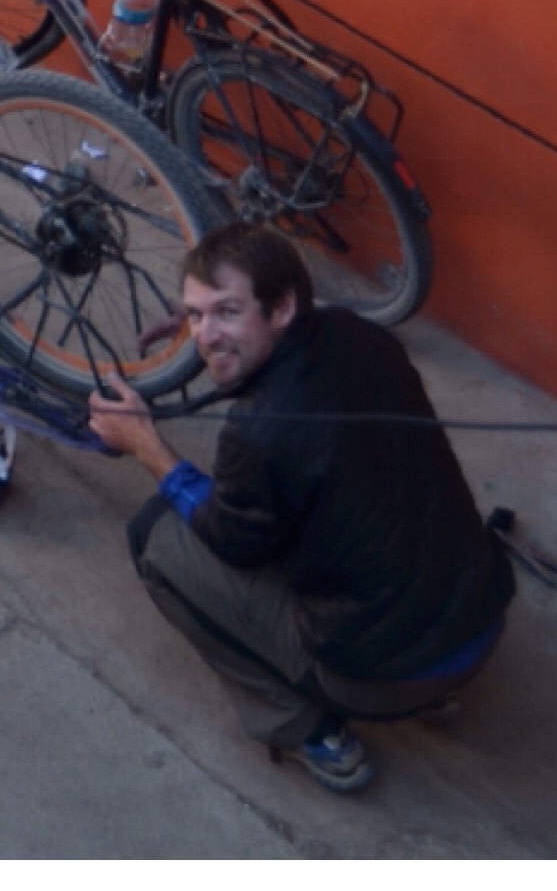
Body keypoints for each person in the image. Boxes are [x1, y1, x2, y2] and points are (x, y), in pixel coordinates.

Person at [87, 221, 512, 795]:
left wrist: (147, 446)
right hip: (480, 611)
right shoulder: (364, 337)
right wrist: (221, 323)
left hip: (383, 674)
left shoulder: (259, 433)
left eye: (226, 313)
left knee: (156, 535)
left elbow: (230, 539)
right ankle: (433, 690)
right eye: (195, 315)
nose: (205, 336)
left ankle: (308, 731)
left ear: (282, 307)